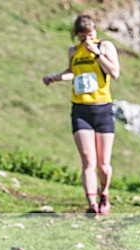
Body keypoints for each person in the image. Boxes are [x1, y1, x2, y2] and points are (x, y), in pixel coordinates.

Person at [42, 14, 121, 217]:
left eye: (90, 34)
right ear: (77, 35)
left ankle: (104, 193)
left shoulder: (105, 46)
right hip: (80, 110)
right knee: (88, 160)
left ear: (95, 31)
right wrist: (55, 78)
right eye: (83, 36)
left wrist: (96, 54)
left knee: (103, 165)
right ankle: (91, 204)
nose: (87, 39)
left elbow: (114, 72)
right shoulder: (74, 51)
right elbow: (73, 72)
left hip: (102, 109)